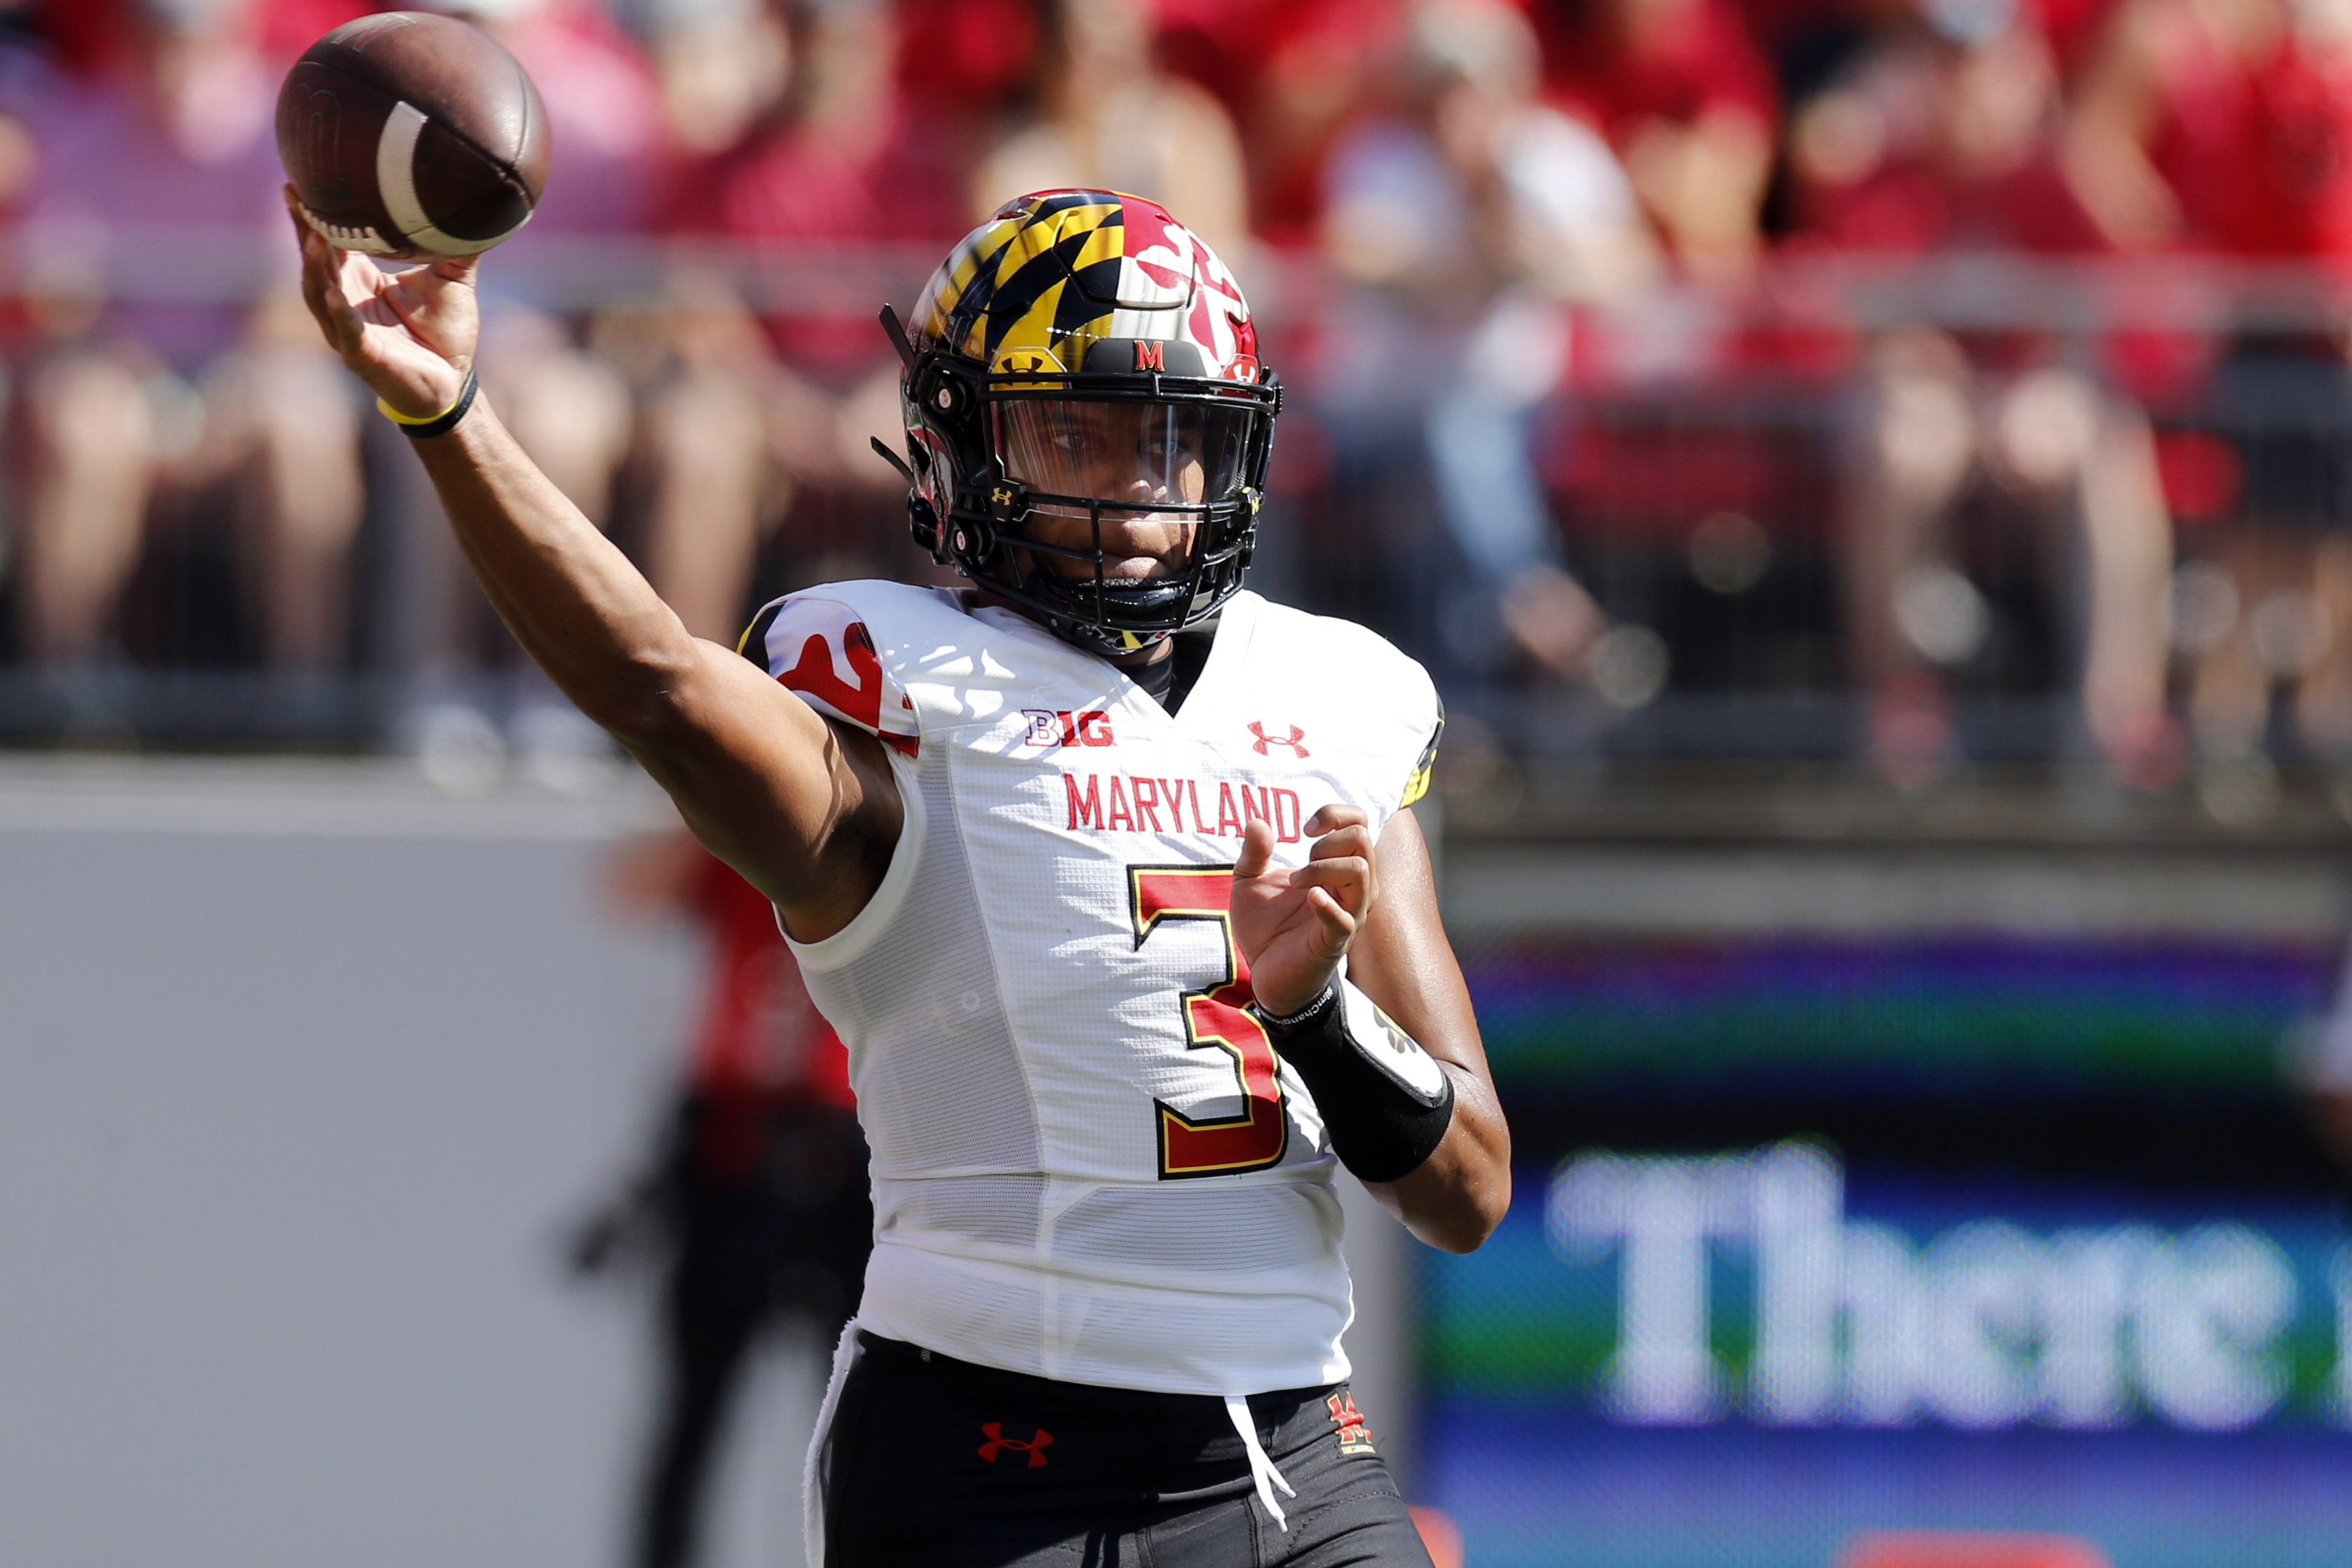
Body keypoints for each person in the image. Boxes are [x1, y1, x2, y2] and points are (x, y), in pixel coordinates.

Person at [291, 184, 1509, 1566]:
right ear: (957, 437)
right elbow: (654, 684)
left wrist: (1319, 1018)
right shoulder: (896, 688)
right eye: (1074, 428)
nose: (1129, 486)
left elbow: (1467, 1190)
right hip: (993, 1462)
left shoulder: (1336, 696)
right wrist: (451, 411)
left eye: (1168, 435)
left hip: (1298, 1455)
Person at [578, 830, 869, 1568]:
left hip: (849, 1152)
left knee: (857, 1430)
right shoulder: (729, 820)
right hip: (729, 1150)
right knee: (690, 1417)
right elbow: (626, 892)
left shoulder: (876, 824)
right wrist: (699, 774)